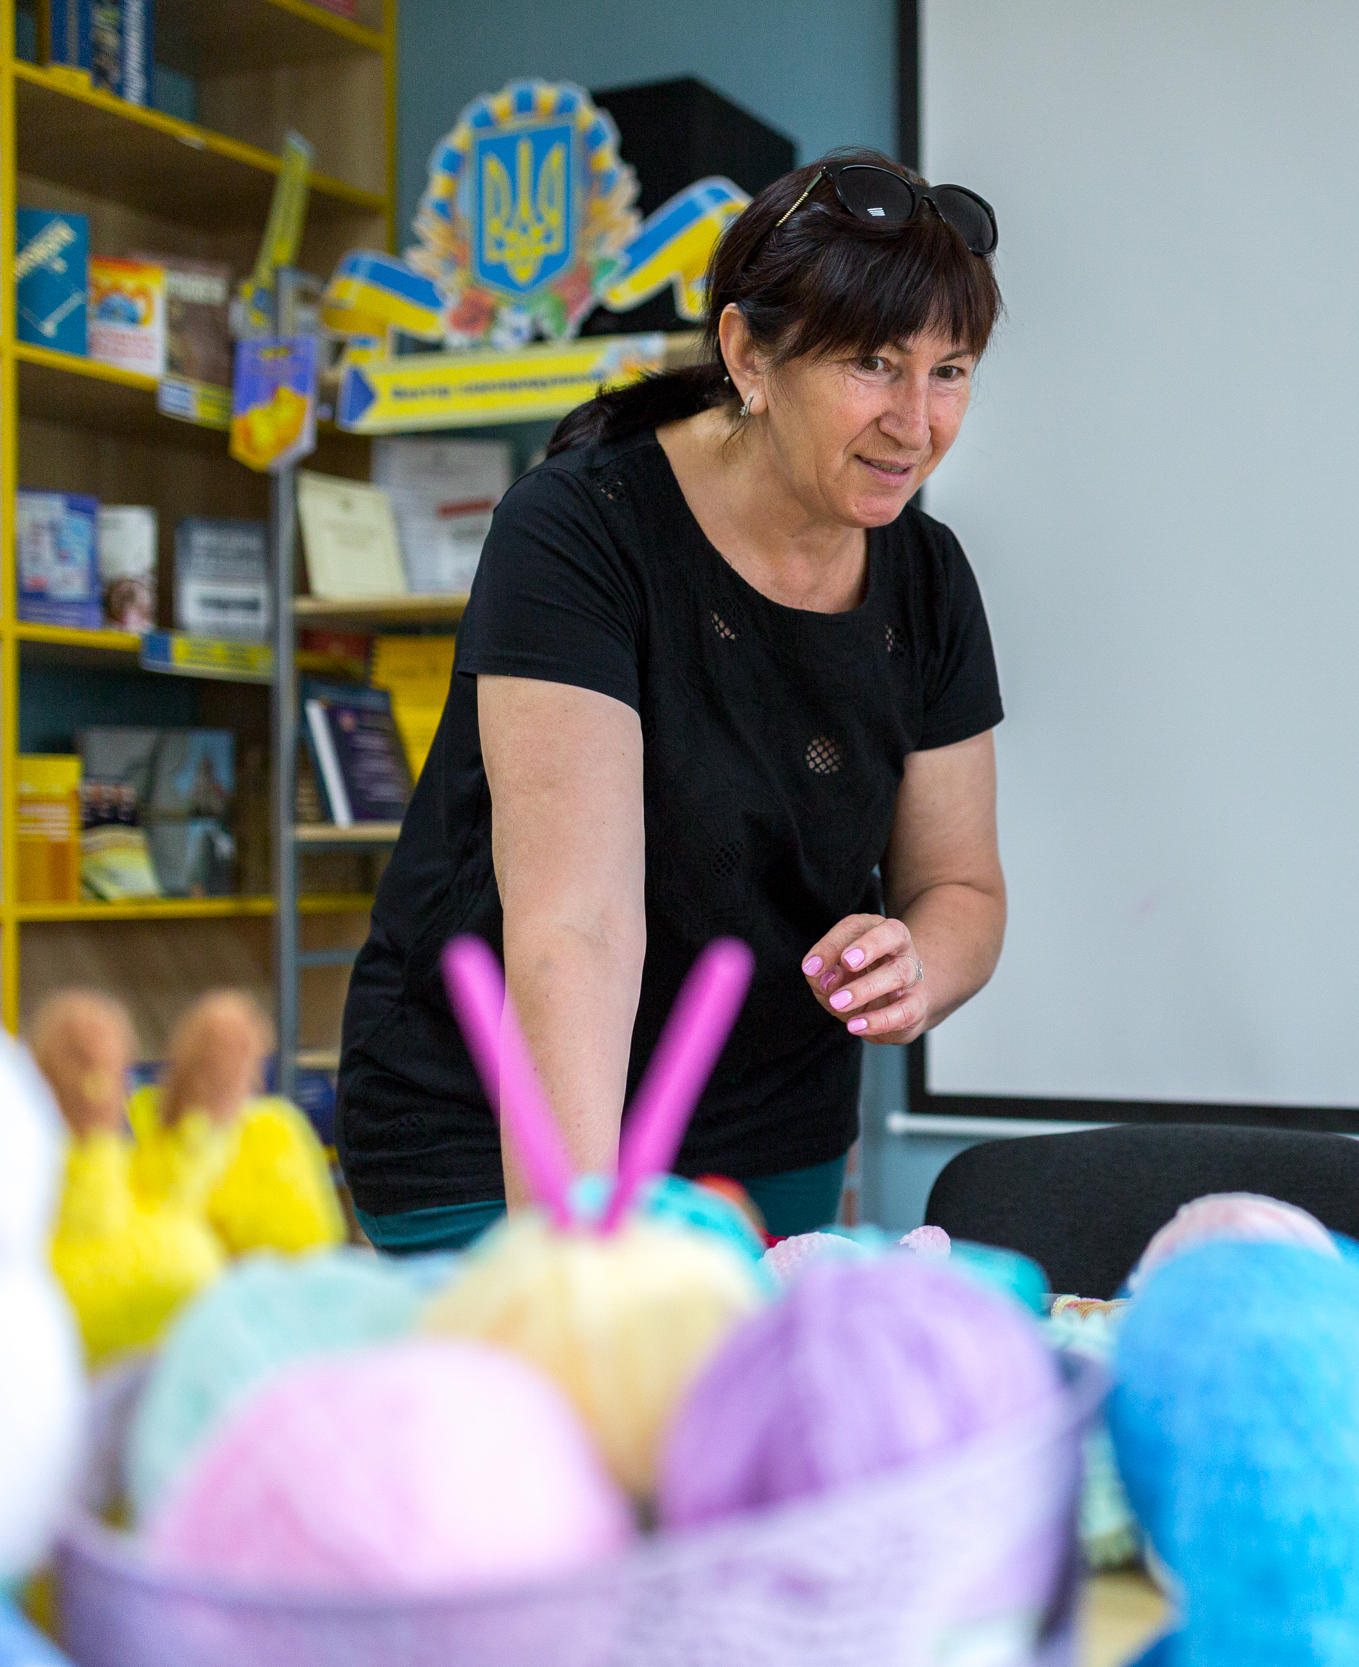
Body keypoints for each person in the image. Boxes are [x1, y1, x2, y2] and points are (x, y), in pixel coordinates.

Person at [336, 151, 1009, 1252]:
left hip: (766, 1138)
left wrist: (919, 961)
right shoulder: (578, 532)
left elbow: (962, 886)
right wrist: (576, 1259)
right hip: (496, 1133)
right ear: (748, 354)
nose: (916, 421)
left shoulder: (928, 579)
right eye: (873, 363)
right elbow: (576, 931)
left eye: (951, 371)